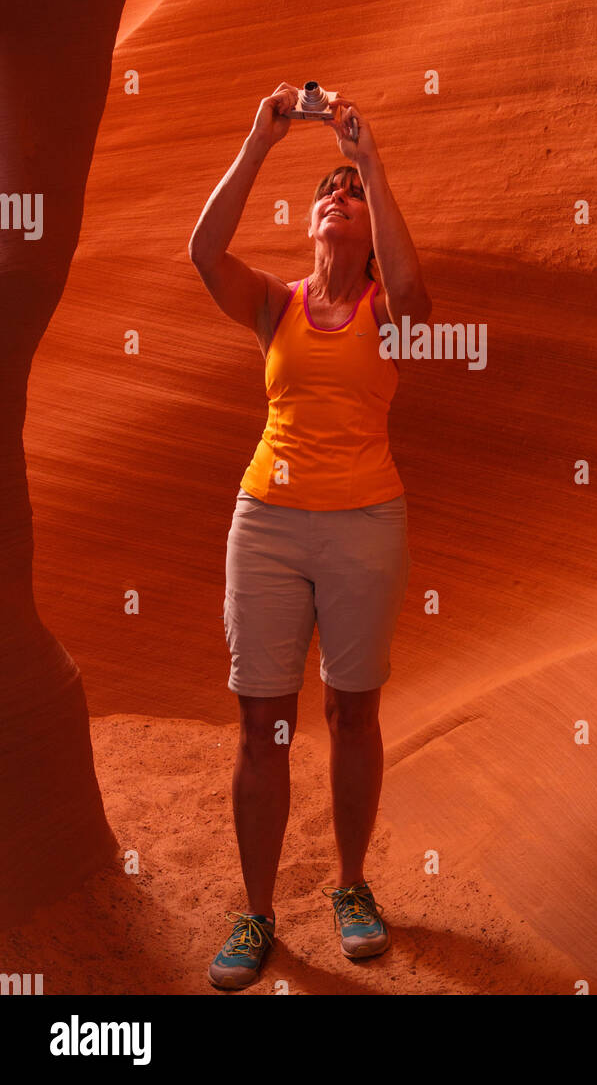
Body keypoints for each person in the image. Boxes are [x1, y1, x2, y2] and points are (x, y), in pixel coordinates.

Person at [188, 83, 431, 990]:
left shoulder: (385, 309)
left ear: (369, 227)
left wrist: (371, 158)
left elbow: (415, 292)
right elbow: (203, 250)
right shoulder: (273, 304)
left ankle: (352, 889)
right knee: (263, 721)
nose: (337, 197)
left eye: (351, 194)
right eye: (327, 191)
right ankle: (255, 915)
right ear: (310, 224)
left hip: (366, 524)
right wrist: (260, 138)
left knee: (352, 711)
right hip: (268, 524)